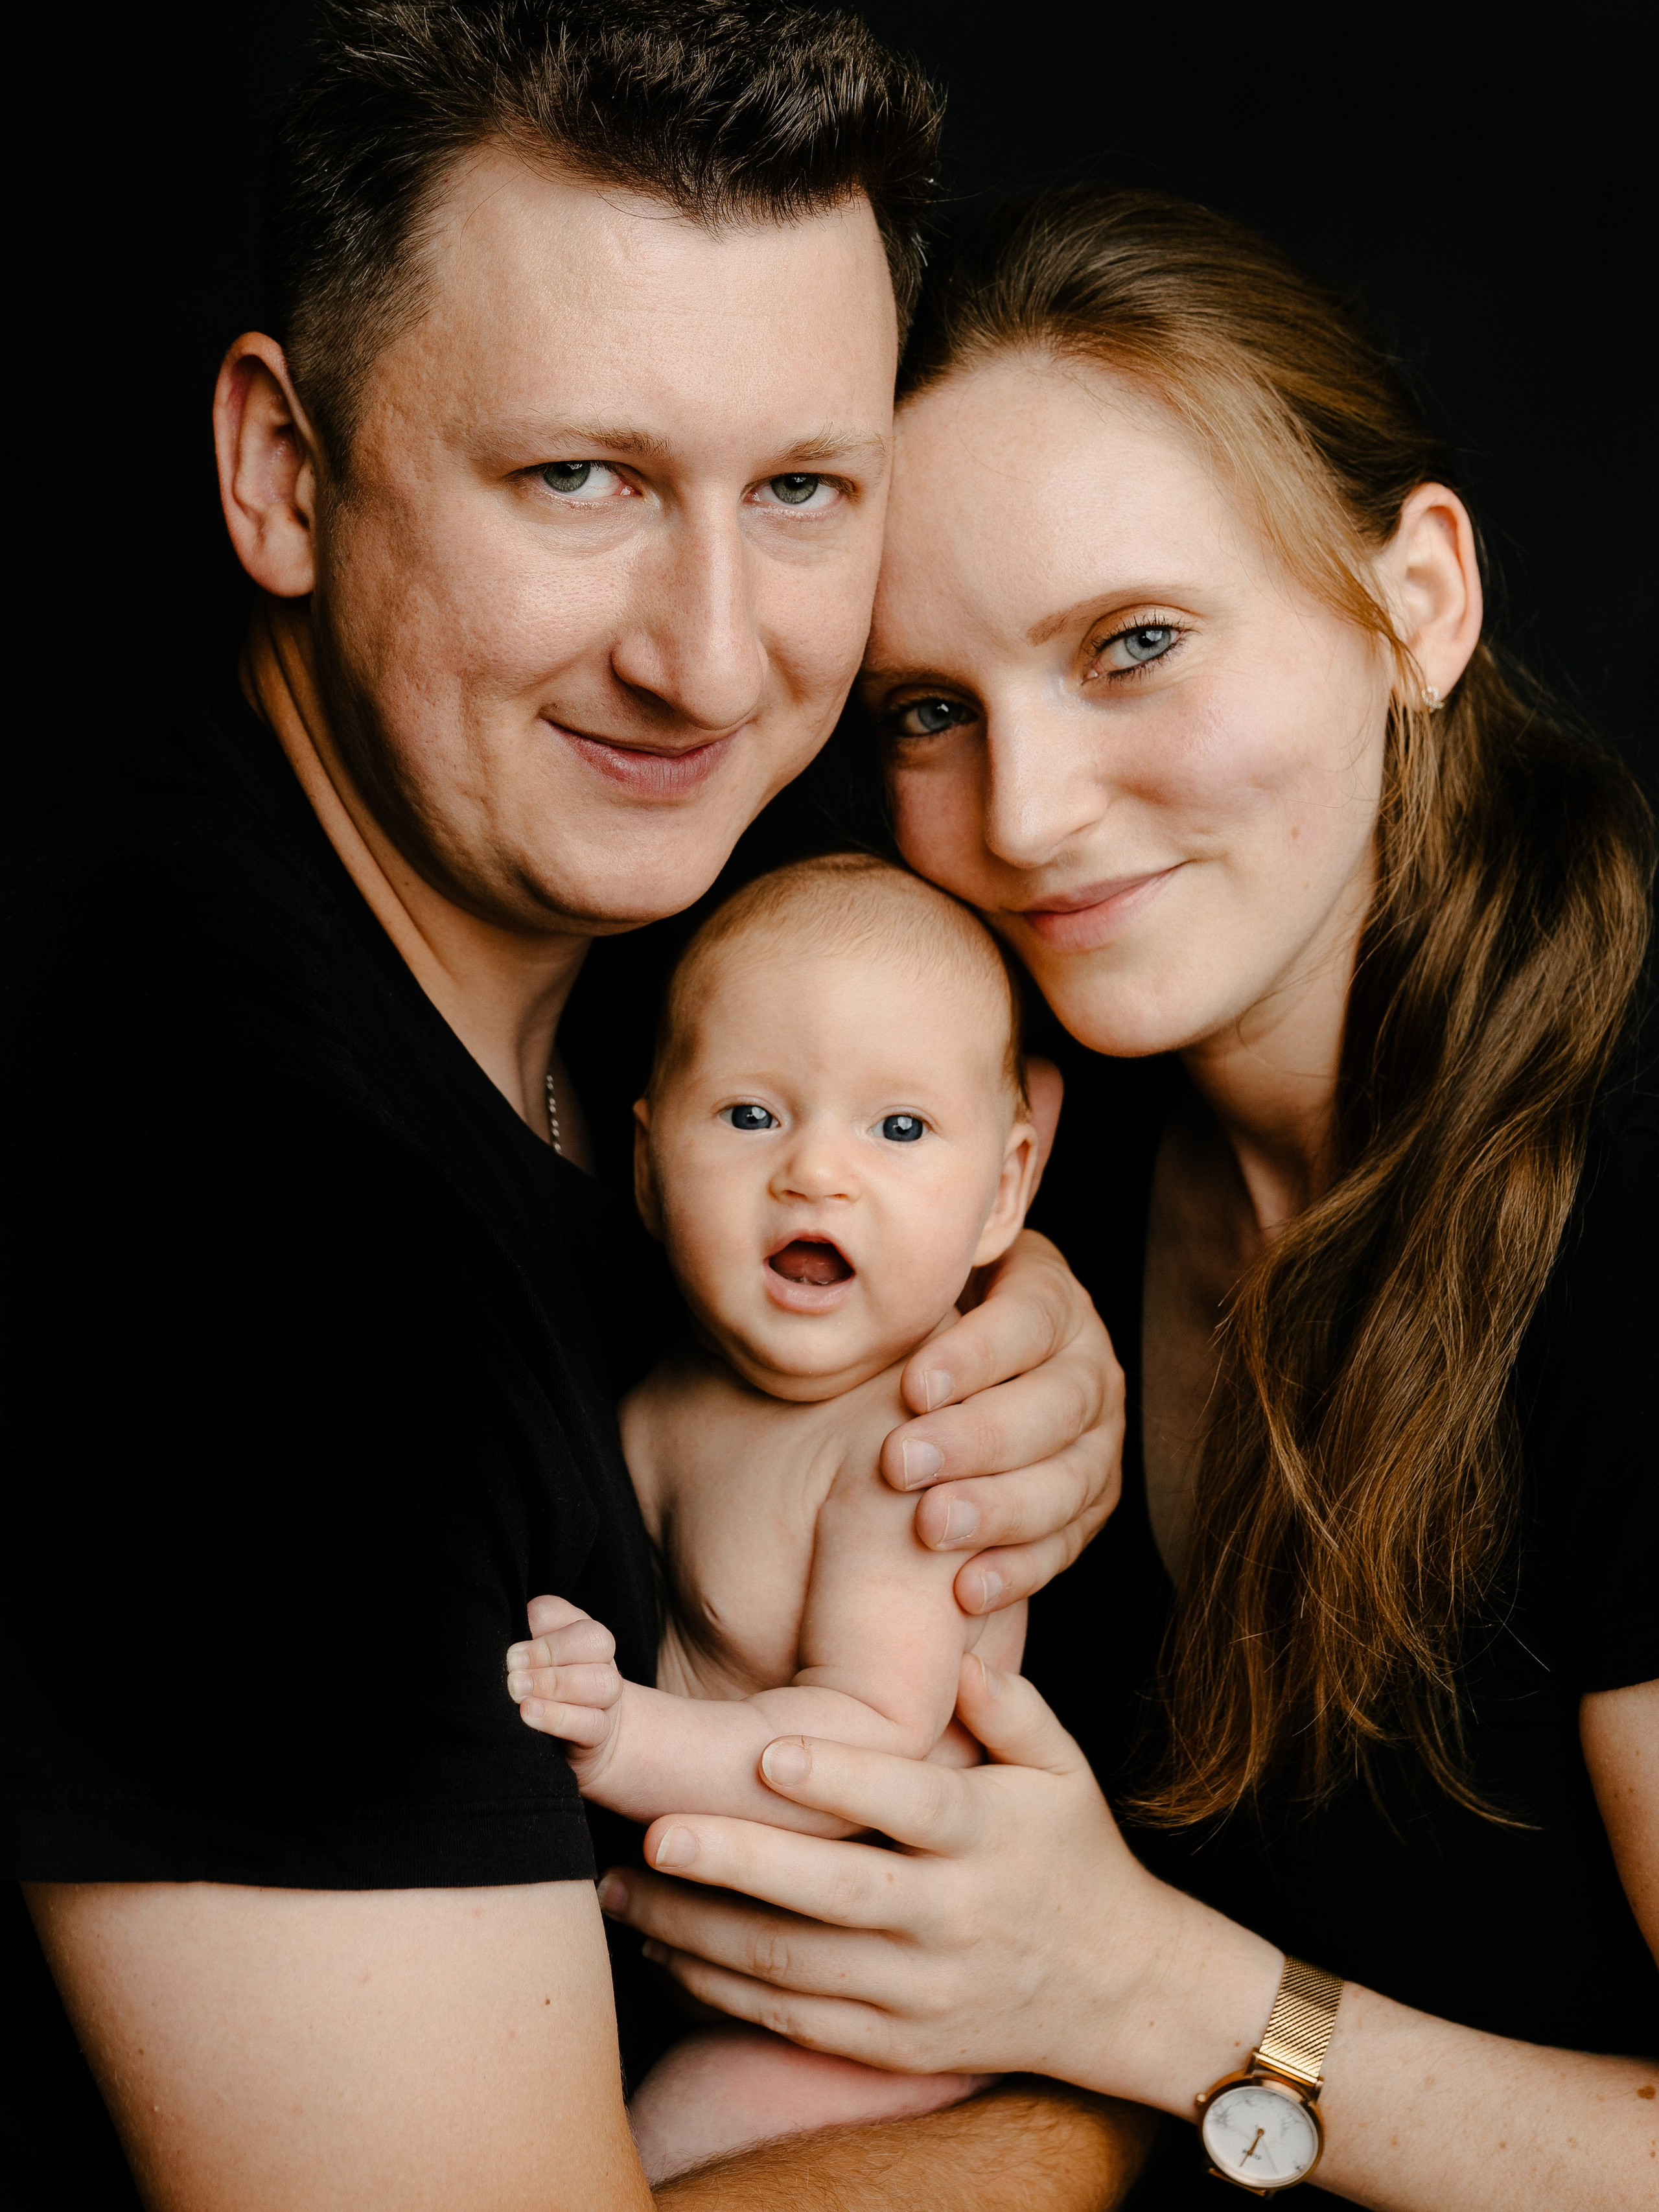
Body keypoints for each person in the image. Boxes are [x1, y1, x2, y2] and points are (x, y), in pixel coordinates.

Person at [0, 20, 1145, 2208]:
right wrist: (1100, 2105)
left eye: (800, 491)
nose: (709, 662)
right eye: (580, 481)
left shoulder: (641, 929)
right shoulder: (234, 1252)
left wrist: (983, 1312)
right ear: (284, 470)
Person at [594, 185, 1659, 2208]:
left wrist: (1156, 1995)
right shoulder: (996, 1150)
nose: (1027, 812)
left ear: (1419, 600)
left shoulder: (1625, 1209)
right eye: (931, 709)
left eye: (1135, 645)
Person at [505, 854, 1044, 2178]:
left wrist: (623, 1737)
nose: (815, 1173)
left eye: (898, 1129)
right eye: (750, 1115)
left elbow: (863, 1740)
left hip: (875, 2011)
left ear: (1003, 1190)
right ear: (647, 1166)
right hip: (696, 1947)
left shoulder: (906, 1459)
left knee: (651, 2159)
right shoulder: (663, 1388)